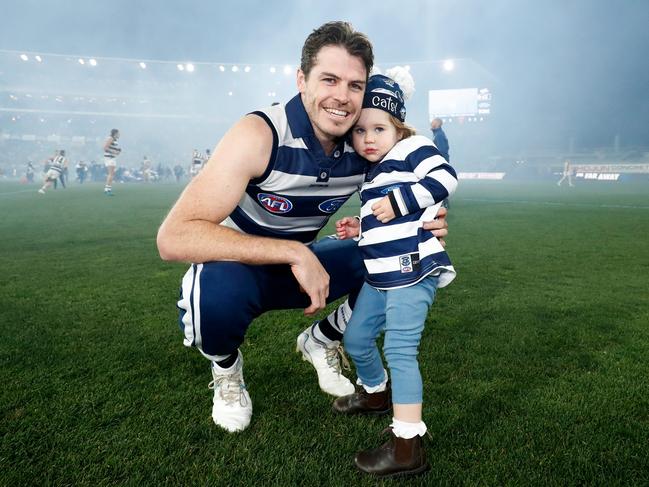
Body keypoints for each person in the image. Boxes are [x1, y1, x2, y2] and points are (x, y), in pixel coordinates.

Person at [156, 21, 449, 434]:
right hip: (239, 263)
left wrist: (427, 221)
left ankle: (323, 338)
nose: (342, 98)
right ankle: (227, 371)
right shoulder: (261, 133)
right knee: (213, 303)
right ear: (302, 80)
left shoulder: (361, 142)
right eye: (329, 79)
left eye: (354, 85)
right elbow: (173, 237)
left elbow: (411, 180)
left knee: (397, 258)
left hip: (306, 262)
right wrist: (295, 252)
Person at [332, 71, 457, 477]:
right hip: (380, 276)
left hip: (413, 271)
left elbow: (445, 178)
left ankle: (407, 447)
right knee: (355, 337)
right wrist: (360, 227)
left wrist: (401, 201)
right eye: (360, 130)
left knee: (401, 351)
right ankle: (375, 394)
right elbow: (383, 220)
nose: (368, 138)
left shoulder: (413, 148)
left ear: (398, 127)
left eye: (379, 128)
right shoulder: (373, 170)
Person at [103, 129, 121, 195]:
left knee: (112, 174)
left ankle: (108, 189)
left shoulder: (113, 139)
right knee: (111, 174)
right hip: (109, 157)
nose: (119, 135)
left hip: (112, 157)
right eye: (118, 133)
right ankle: (107, 190)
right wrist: (114, 152)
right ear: (115, 133)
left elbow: (110, 148)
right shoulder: (110, 138)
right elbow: (105, 148)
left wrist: (117, 151)